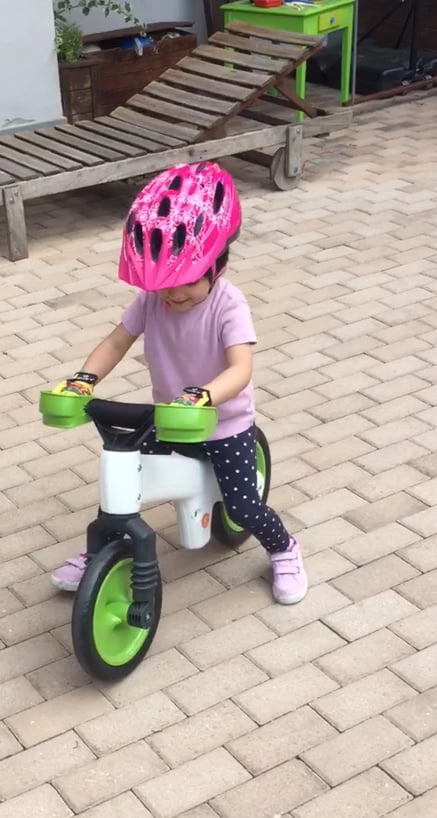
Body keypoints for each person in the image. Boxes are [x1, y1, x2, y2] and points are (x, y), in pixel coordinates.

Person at [50, 160, 307, 605]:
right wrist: (83, 380)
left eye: (185, 281)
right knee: (124, 478)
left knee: (244, 507)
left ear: (216, 263)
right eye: (163, 283)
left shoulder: (228, 305)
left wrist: (204, 396)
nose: (173, 294)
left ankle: (284, 548)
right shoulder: (152, 300)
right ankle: (99, 552)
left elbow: (240, 369)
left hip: (223, 426)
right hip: (169, 419)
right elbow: (116, 341)